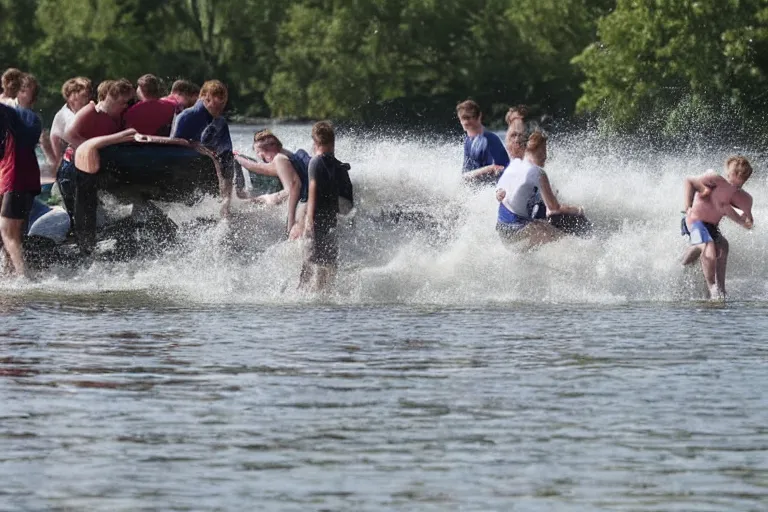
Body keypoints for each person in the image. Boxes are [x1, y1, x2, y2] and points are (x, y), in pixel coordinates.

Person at [63, 79, 136, 252]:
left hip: (96, 168)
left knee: (95, 206)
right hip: (74, 168)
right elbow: (69, 135)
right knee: (83, 209)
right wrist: (90, 149)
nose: (125, 106)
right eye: (122, 102)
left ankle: (96, 241)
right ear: (110, 97)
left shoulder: (117, 116)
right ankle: (85, 248)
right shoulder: (91, 110)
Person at [681, 156, 754, 299]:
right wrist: (687, 205)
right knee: (708, 245)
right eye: (739, 176)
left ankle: (721, 288)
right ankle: (712, 288)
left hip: (711, 227)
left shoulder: (740, 196)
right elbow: (689, 181)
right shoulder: (713, 179)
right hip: (694, 222)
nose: (741, 182)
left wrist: (747, 221)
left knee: (723, 245)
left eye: (745, 179)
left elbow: (747, 220)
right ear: (730, 174)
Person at [495, 130, 582, 248]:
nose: (545, 156)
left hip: (501, 229)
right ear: (539, 151)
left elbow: (499, 189)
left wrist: (499, 192)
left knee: (540, 224)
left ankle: (527, 256)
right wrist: (577, 210)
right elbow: (554, 209)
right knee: (564, 239)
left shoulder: (515, 164)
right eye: (543, 151)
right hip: (515, 231)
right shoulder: (538, 172)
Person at [171, 79, 237, 215]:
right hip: (184, 161)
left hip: (206, 161)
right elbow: (173, 143)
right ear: (205, 99)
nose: (220, 110)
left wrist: (227, 198)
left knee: (229, 159)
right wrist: (192, 145)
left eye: (222, 106)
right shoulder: (187, 116)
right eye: (216, 107)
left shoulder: (220, 122)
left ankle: (226, 204)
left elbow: (226, 154)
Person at [300, 121, 350, 292]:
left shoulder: (315, 162)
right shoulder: (339, 165)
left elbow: (313, 188)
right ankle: (325, 294)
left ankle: (305, 294)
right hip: (331, 221)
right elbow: (346, 202)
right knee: (329, 263)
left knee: (309, 262)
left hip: (317, 218)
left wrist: (309, 219)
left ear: (315, 142)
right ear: (333, 142)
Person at [235, 130, 312, 238]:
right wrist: (238, 158)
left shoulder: (280, 159)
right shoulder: (288, 154)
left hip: (306, 203)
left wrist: (266, 199)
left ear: (267, 150)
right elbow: (262, 168)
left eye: (258, 153)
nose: (259, 157)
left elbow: (292, 190)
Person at [0, 99, 43, 277]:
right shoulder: (22, 115)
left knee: (8, 231)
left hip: (14, 177)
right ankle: (9, 273)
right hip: (27, 175)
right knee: (12, 233)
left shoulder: (6, 116)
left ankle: (22, 278)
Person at [457, 100, 509, 185]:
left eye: (469, 118)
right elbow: (465, 173)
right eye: (463, 118)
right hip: (477, 188)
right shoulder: (468, 141)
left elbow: (501, 169)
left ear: (479, 116)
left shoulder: (490, 139)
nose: (465, 122)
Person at [50, 77, 92, 166]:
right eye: (84, 96)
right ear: (72, 97)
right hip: (71, 162)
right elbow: (54, 139)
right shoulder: (63, 115)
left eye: (88, 95)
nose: (87, 99)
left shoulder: (86, 112)